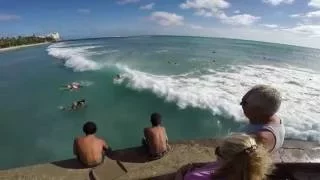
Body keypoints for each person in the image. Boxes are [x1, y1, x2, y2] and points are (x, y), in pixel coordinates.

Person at [175, 133, 273, 180]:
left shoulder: (195, 178)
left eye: (218, 151)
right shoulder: (250, 173)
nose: (216, 154)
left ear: (228, 161)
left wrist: (180, 175)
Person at [240, 85, 285, 152]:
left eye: (244, 103)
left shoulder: (260, 138)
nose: (241, 104)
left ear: (258, 109)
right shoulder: (274, 117)